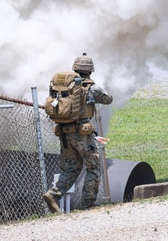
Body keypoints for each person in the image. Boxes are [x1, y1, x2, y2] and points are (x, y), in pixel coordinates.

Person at [42, 54, 114, 211]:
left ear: (74, 69)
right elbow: (108, 99)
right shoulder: (90, 87)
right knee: (93, 167)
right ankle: (87, 203)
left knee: (71, 168)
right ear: (90, 71)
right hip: (82, 134)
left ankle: (53, 194)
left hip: (64, 132)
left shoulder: (62, 87)